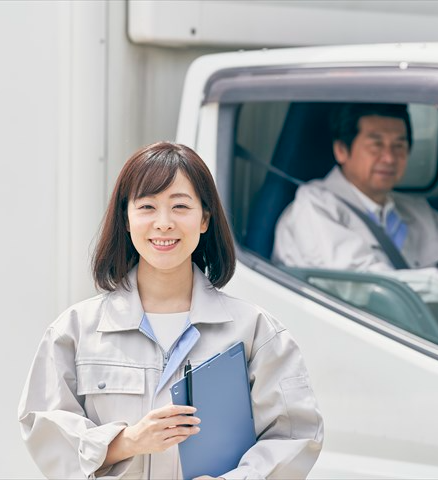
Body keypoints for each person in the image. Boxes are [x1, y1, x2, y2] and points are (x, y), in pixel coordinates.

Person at [18, 142, 323, 479]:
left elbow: (295, 435)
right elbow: (43, 427)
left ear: (204, 218)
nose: (163, 224)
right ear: (127, 219)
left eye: (180, 206)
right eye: (147, 206)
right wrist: (126, 441)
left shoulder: (255, 331)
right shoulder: (76, 330)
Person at [272, 103, 438, 307]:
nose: (389, 158)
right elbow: (362, 283)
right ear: (341, 150)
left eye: (399, 145)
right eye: (376, 145)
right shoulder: (314, 207)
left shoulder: (412, 208)